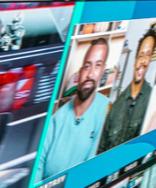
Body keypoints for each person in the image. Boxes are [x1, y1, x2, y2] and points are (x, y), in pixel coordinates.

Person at [37, 38, 110, 180]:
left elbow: (93, 167)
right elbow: (39, 162)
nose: (90, 74)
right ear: (80, 72)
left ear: (103, 71)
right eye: (87, 66)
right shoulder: (57, 118)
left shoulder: (107, 110)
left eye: (97, 66)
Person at [98, 31, 156, 153]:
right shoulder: (117, 105)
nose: (143, 62)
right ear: (135, 60)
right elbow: (101, 148)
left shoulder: (153, 100)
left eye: (148, 56)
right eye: (141, 56)